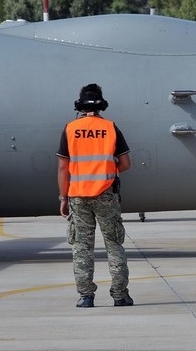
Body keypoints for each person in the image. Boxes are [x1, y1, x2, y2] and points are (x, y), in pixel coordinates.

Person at [56, 84, 133, 308]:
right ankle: (120, 295)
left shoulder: (70, 129)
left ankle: (86, 296)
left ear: (79, 105)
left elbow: (63, 168)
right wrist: (105, 169)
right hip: (106, 194)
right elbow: (126, 163)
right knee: (114, 243)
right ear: (101, 104)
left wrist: (63, 198)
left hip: (78, 196)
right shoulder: (111, 128)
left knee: (82, 246)